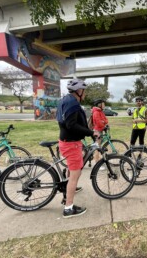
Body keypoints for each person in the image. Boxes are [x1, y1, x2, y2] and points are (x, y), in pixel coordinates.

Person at [56, 78, 100, 218]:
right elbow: (71, 125)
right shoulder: (73, 104)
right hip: (71, 143)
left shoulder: (65, 100)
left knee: (72, 170)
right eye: (84, 91)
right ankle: (68, 208)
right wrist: (91, 132)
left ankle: (70, 187)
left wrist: (87, 131)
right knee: (75, 175)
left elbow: (69, 123)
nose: (85, 93)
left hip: (66, 141)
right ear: (79, 91)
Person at [92, 99, 108, 167]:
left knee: (99, 146)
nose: (104, 105)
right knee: (97, 148)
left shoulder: (100, 111)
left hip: (100, 130)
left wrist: (104, 122)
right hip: (97, 131)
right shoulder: (96, 112)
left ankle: (99, 161)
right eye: (103, 104)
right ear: (99, 104)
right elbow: (99, 123)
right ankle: (97, 164)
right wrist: (103, 123)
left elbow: (106, 120)